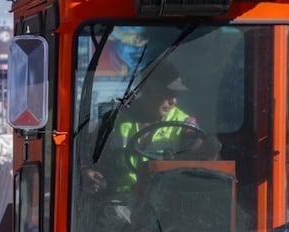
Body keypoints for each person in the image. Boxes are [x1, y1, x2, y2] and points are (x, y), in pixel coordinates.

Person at [81, 60, 220, 198]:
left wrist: (208, 151)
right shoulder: (113, 120)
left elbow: (198, 149)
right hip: (116, 202)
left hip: (160, 206)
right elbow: (87, 156)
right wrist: (87, 172)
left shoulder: (185, 124)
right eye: (167, 93)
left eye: (176, 95)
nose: (173, 101)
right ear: (146, 89)